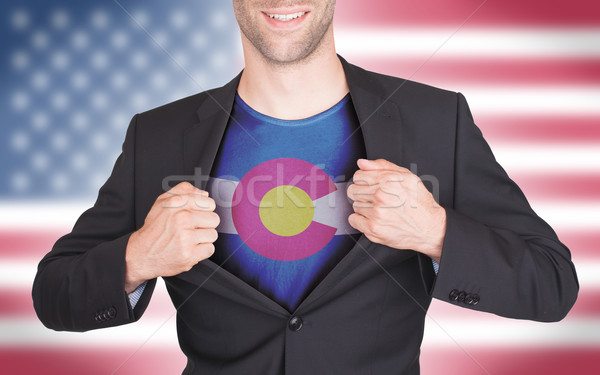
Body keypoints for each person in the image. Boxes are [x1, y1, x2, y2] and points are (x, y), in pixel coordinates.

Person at [32, 1, 579, 374]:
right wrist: (137, 257)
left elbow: (552, 284)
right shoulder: (158, 135)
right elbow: (54, 294)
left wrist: (437, 232)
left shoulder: (436, 119)